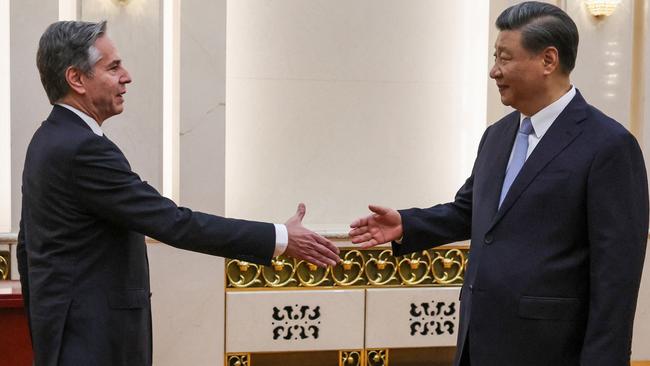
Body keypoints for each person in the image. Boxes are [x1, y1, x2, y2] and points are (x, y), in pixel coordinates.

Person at [17, 20, 340, 366]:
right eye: (113, 67)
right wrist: (280, 238)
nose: (127, 76)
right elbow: (174, 222)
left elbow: (27, 248)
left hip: (69, 339)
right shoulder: (82, 149)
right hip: (95, 345)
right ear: (76, 79)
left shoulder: (48, 139)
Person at [349, 2, 648, 366]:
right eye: (495, 57)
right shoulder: (497, 135)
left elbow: (616, 278)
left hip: (550, 351)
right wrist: (406, 225)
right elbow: (470, 212)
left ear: (548, 60)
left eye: (505, 58)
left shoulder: (608, 146)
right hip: (479, 342)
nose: (494, 71)